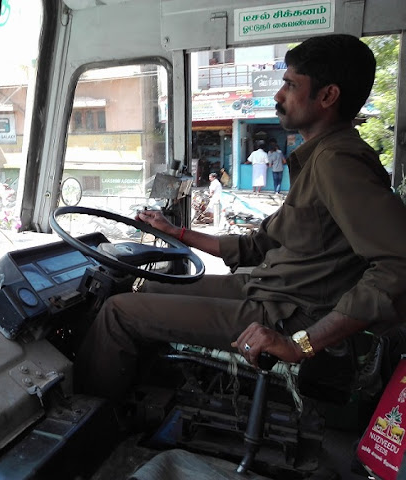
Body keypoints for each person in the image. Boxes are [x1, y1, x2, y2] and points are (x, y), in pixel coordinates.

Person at [75, 34, 406, 402]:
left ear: (327, 96)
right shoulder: (319, 159)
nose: (279, 95)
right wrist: (175, 232)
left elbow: (398, 264)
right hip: (265, 288)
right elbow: (257, 246)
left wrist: (302, 345)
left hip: (286, 313)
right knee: (150, 285)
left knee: (118, 311)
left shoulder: (337, 163)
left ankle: (87, 420)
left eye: (291, 85)